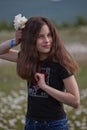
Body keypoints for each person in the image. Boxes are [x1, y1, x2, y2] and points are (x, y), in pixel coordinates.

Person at [0, 16, 80, 130]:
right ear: (31, 39)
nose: (47, 40)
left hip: (54, 125)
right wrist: (15, 41)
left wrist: (44, 87)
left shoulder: (61, 63)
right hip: (31, 123)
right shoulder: (28, 59)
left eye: (49, 35)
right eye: (40, 37)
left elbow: (75, 101)